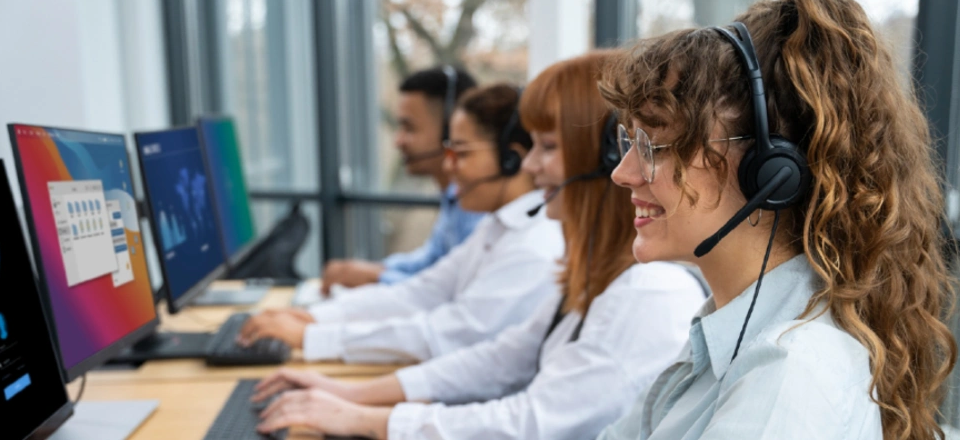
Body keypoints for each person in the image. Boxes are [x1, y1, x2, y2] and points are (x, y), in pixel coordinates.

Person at [249, 51, 707, 440]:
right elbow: (501, 360)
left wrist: (365, 418)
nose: (529, 163)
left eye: (547, 146)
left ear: (608, 159)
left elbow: (532, 422)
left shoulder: (647, 294)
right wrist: (346, 395)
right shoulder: (600, 275)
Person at [596, 0, 957, 439]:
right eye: (629, 141)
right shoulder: (726, 337)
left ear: (771, 173)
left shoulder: (788, 377)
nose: (622, 173)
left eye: (653, 144)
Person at [239, 84, 564, 364]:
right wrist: (313, 318)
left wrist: (313, 336)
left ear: (512, 159)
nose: (449, 168)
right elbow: (419, 294)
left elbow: (449, 334)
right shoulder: (498, 226)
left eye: (461, 153)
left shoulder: (532, 247)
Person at [319, 66, 485, 293]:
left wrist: (376, 276)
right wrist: (373, 269)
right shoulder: (454, 197)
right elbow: (429, 262)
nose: (398, 141)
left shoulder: (478, 207)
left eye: (409, 128)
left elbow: (450, 293)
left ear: (451, 131)